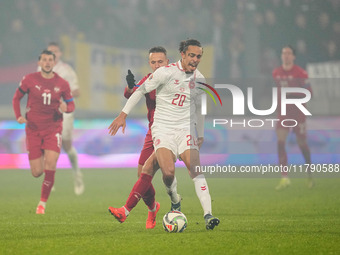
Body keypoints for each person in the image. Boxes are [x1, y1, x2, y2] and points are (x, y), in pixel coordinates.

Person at [108, 39, 220, 230]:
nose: (195, 59)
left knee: (195, 169)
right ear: (183, 55)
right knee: (167, 173)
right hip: (162, 130)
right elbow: (138, 91)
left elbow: (200, 107)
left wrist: (200, 134)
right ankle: (173, 199)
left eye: (198, 56)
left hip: (184, 130)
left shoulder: (200, 79)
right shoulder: (165, 74)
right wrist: (122, 114)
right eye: (191, 55)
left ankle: (208, 215)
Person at [124, 47, 183, 229]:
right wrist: (130, 85)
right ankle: (153, 209)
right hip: (153, 132)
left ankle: (174, 197)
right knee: (142, 175)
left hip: (173, 131)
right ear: (150, 63)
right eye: (153, 62)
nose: (157, 65)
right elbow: (130, 93)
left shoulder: (177, 78)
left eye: (160, 62)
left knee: (163, 173)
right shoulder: (150, 79)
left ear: (167, 62)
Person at [12, 49, 75, 214]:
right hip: (33, 129)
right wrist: (18, 116)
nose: (47, 63)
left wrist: (65, 107)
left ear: (54, 63)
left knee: (51, 162)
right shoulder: (29, 79)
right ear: (39, 63)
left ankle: (42, 204)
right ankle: (46, 174)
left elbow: (71, 105)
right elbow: (16, 98)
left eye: (50, 60)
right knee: (37, 172)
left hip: (53, 128)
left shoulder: (62, 83)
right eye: (44, 60)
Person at [44, 42, 84, 195]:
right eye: (50, 51)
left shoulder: (67, 70)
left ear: (60, 53)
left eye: (55, 51)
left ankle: (77, 176)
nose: (52, 54)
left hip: (64, 111)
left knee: (66, 145)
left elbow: (77, 91)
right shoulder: (41, 68)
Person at [272, 45, 313, 190]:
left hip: (298, 113)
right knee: (280, 142)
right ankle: (285, 177)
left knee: (302, 144)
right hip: (283, 112)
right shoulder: (276, 72)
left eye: (289, 53)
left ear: (294, 57)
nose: (286, 55)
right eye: (284, 53)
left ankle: (309, 173)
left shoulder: (301, 73)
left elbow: (309, 93)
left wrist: (292, 95)